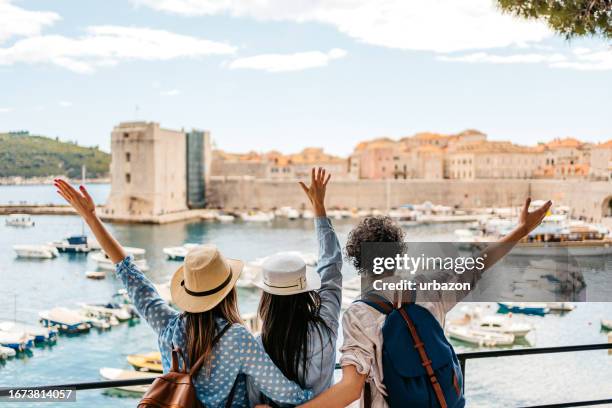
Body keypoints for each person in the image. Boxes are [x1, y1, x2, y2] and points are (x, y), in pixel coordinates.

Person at [54, 179, 312, 407]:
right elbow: (284, 392)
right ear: (228, 291)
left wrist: (91, 218)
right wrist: (323, 396)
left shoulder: (167, 325)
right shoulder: (237, 338)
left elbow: (129, 273)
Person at [299, 197, 552, 408]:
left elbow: (351, 389)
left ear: (357, 260)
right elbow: (479, 263)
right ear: (398, 255)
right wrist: (522, 229)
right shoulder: (429, 288)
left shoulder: (358, 314)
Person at [248, 167, 342, 406]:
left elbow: (254, 403)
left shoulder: (259, 348)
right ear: (305, 290)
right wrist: (319, 208)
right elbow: (331, 266)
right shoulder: (326, 327)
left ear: (267, 298)